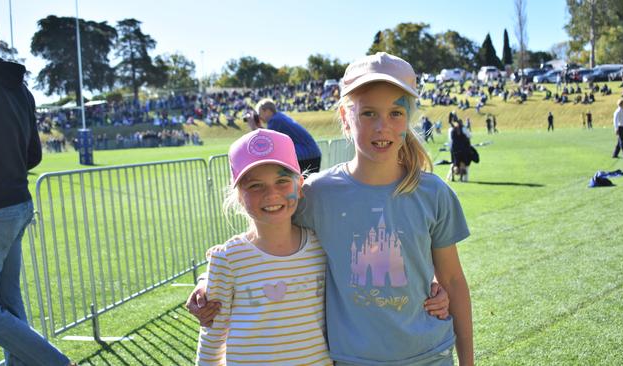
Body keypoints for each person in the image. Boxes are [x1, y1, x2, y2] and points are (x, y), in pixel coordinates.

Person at [189, 52, 472, 365]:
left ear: (410, 117)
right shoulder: (316, 194)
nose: (383, 127)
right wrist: (208, 284)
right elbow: (260, 239)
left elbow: (454, 281)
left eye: (395, 113)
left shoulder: (433, 193)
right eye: (368, 114)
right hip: (351, 359)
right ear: (345, 117)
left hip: (430, 355)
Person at [195, 129, 332, 365]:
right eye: (256, 186)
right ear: (237, 195)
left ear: (299, 185)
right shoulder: (227, 258)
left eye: (281, 181)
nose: (271, 194)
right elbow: (212, 335)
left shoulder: (321, 246)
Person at [0, 16, 74, 366]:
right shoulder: (20, 88)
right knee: (7, 302)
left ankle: (56, 362)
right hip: (18, 204)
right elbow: (33, 154)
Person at [251, 98, 323, 174]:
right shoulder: (279, 117)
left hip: (305, 156)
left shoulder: (275, 121)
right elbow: (269, 136)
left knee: (298, 184)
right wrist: (258, 127)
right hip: (311, 154)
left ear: (268, 111)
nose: (259, 117)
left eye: (259, 114)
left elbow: (267, 142)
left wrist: (254, 127)